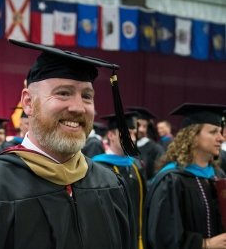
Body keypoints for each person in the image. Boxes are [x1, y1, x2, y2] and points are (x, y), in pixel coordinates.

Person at [0, 39, 138, 249]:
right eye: (63, 93)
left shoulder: (111, 185)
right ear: (28, 102)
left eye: (87, 96)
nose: (78, 108)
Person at [145, 103, 226, 249]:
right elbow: (162, 236)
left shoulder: (217, 176)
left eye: (221, 132)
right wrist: (205, 244)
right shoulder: (172, 180)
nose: (221, 138)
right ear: (192, 136)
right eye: (214, 132)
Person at [92, 112, 146, 249]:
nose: (132, 138)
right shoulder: (97, 167)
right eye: (127, 133)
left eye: (134, 133)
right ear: (111, 135)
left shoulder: (135, 166)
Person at [128, 106, 165, 181]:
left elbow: (158, 175)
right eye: (138, 125)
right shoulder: (125, 147)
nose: (141, 129)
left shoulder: (156, 149)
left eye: (144, 126)